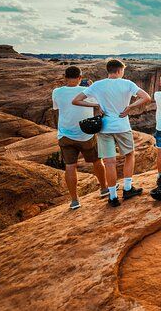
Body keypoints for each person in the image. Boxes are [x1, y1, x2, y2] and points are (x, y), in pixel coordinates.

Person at [72, 59, 151, 207]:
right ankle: (127, 189)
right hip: (122, 126)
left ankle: (113, 197)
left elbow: (76, 100)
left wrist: (96, 104)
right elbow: (146, 97)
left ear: (108, 70)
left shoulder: (97, 85)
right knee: (129, 155)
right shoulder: (127, 84)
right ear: (120, 71)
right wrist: (130, 107)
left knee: (109, 163)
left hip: (105, 128)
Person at [52, 66, 108, 210]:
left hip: (65, 134)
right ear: (80, 78)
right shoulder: (87, 91)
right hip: (85, 133)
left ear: (65, 77)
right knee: (97, 161)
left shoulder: (56, 92)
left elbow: (57, 109)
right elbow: (100, 104)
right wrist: (90, 87)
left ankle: (75, 200)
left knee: (70, 166)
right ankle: (104, 188)